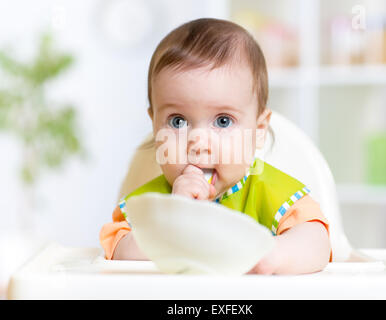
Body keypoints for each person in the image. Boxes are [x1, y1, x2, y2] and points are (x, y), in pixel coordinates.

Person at [100, 18, 331, 274]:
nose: (198, 142)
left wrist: (273, 254)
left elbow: (317, 241)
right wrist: (174, 220)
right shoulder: (149, 205)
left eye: (223, 121)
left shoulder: (269, 191)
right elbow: (118, 251)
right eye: (178, 121)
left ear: (258, 131)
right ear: (155, 127)